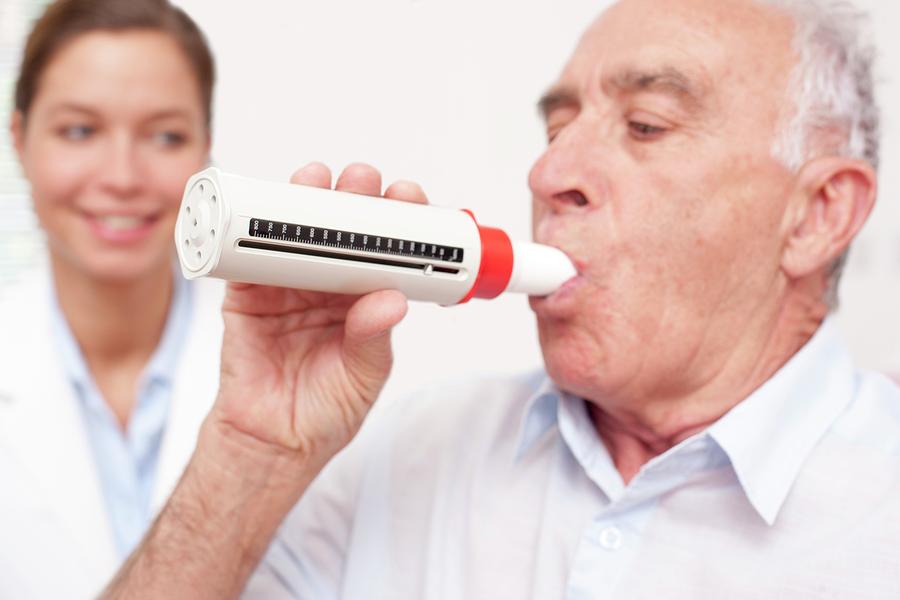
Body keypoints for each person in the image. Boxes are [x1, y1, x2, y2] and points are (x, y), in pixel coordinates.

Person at [103, 0, 900, 597]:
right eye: (557, 130)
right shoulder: (411, 451)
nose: (547, 175)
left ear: (817, 213)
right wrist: (252, 453)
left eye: (647, 125)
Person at [0, 0, 223, 597]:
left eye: (165, 136)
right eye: (79, 130)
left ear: (204, 149)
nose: (122, 176)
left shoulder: (292, 372)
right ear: (20, 139)